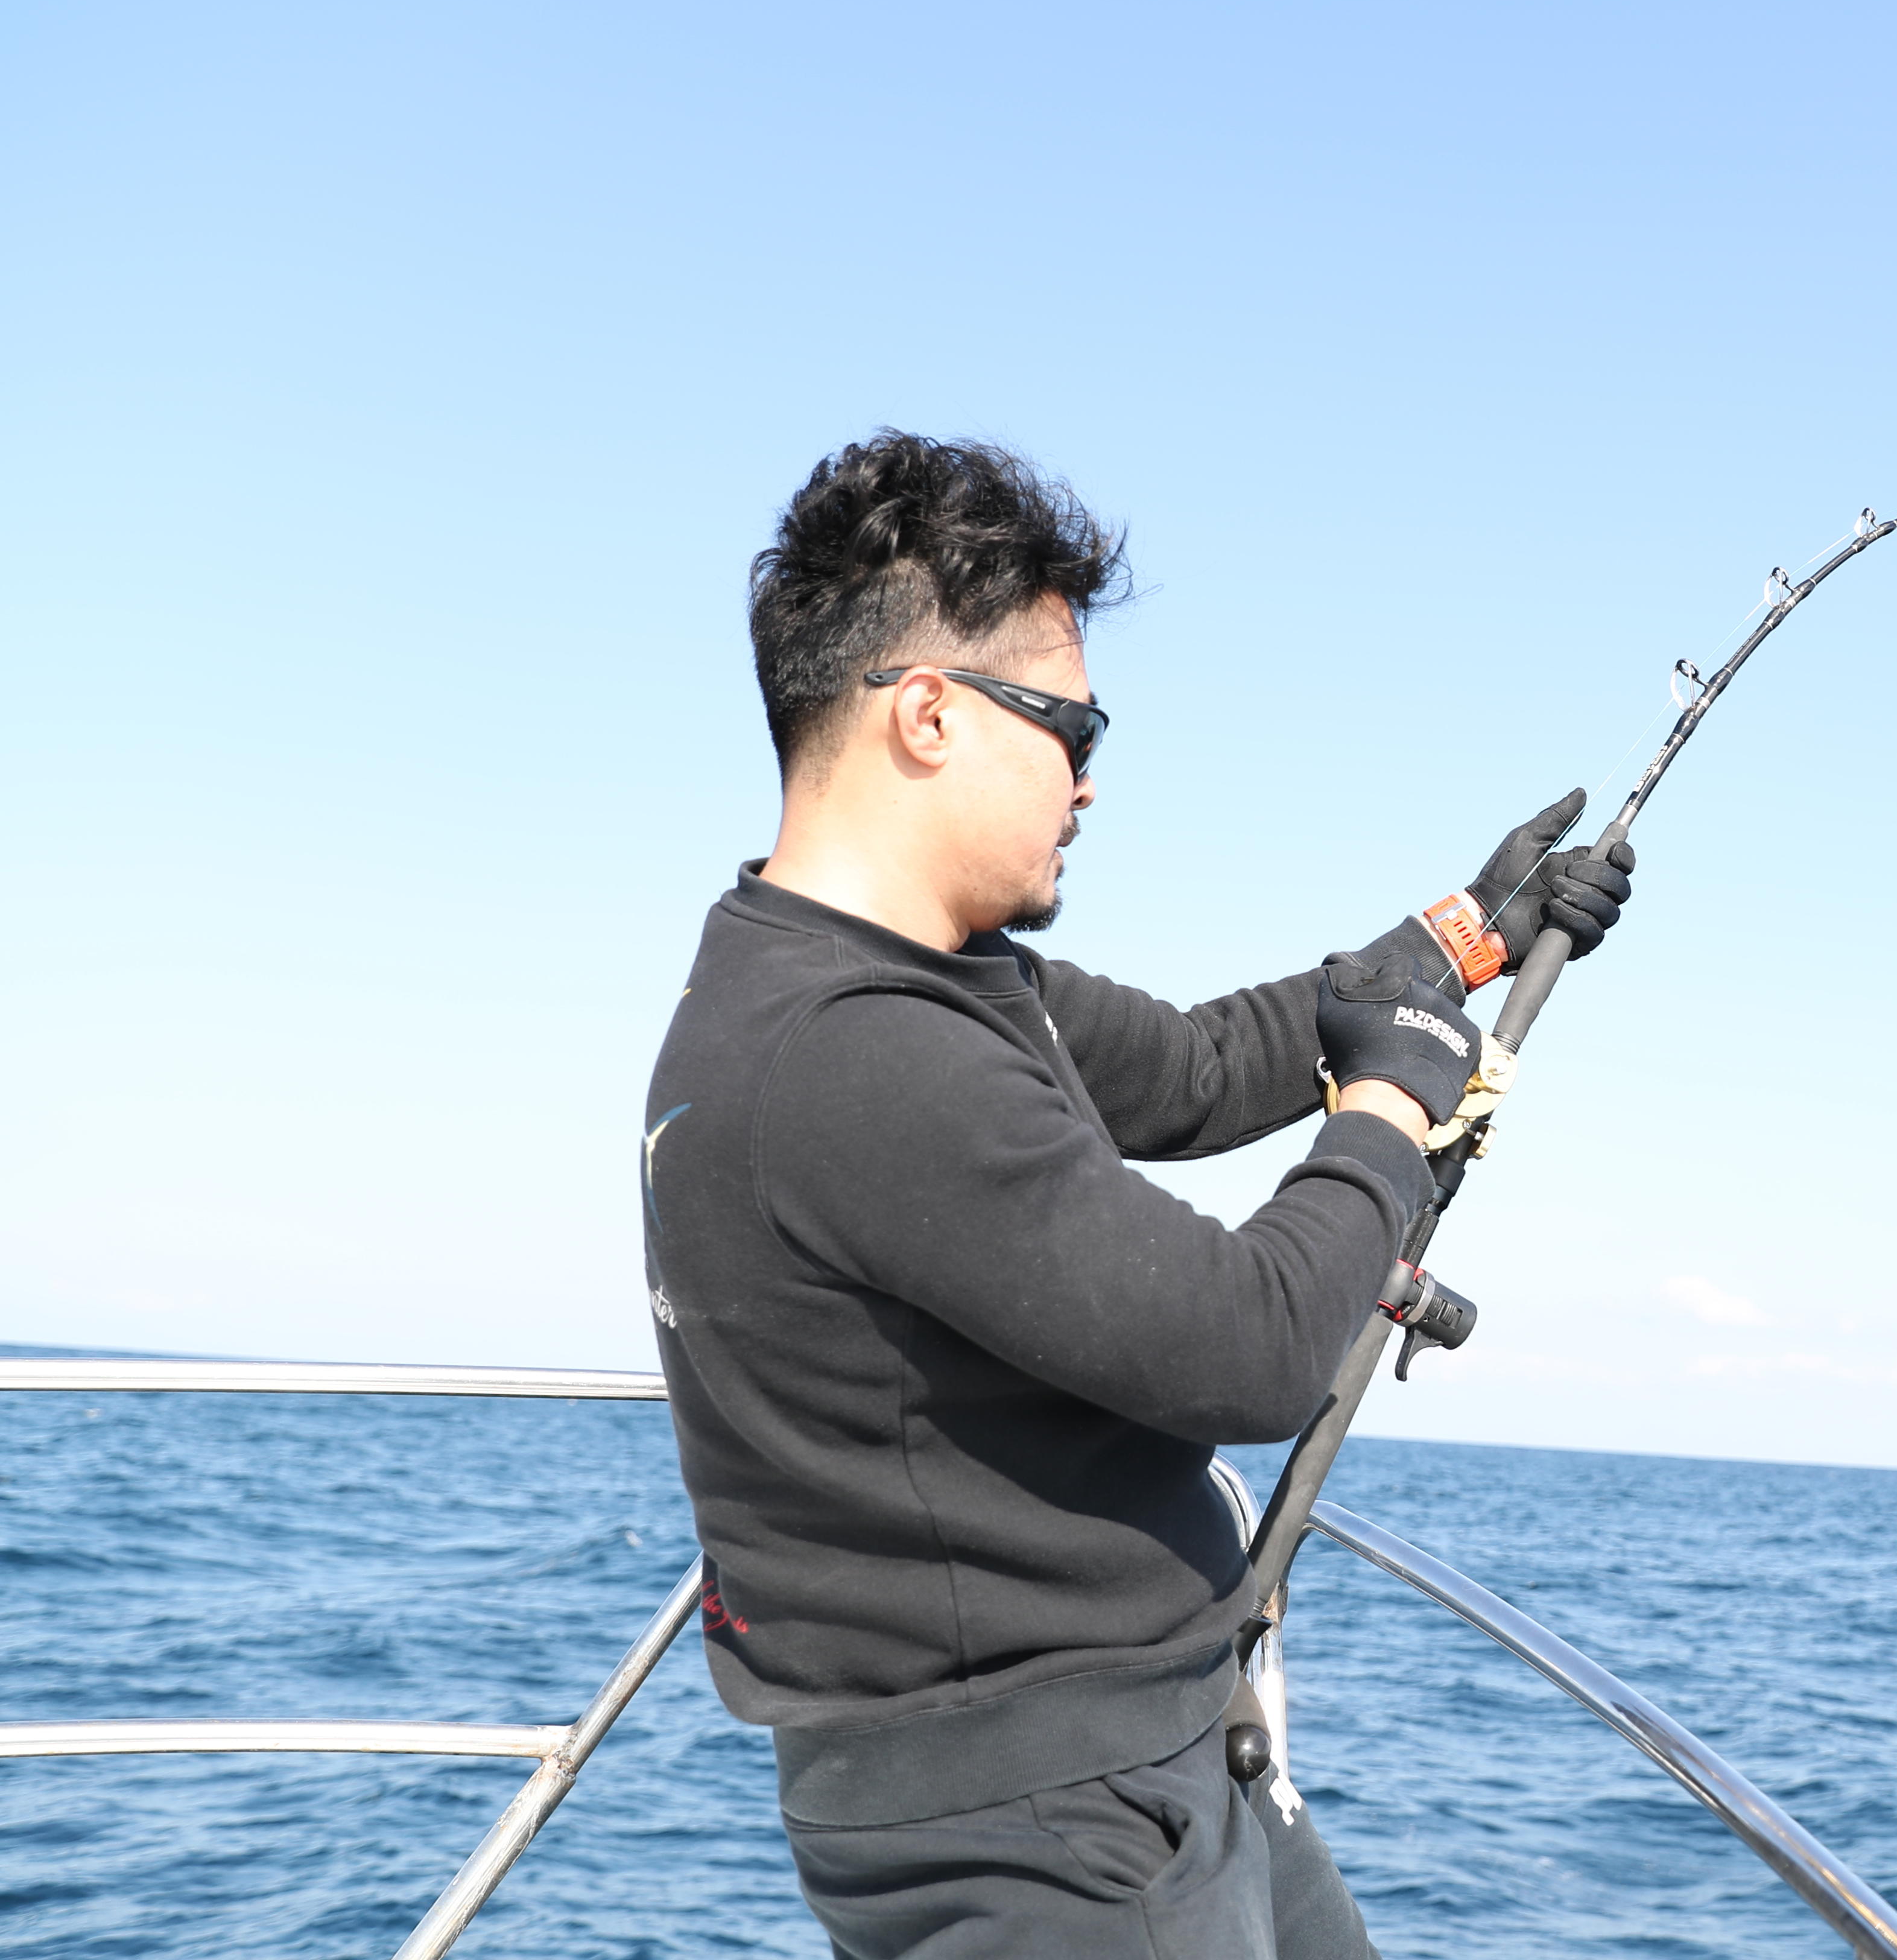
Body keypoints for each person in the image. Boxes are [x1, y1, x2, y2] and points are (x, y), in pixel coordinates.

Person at [638, 431, 1636, 1958]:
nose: (1091, 778)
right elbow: (1244, 1349)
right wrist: (1393, 1103)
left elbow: (1189, 1067)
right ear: (926, 715)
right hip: (1048, 1840)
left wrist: (1459, 946)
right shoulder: (855, 1056)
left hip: (1169, 1763)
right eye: (1071, 724)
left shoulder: (932, 986)